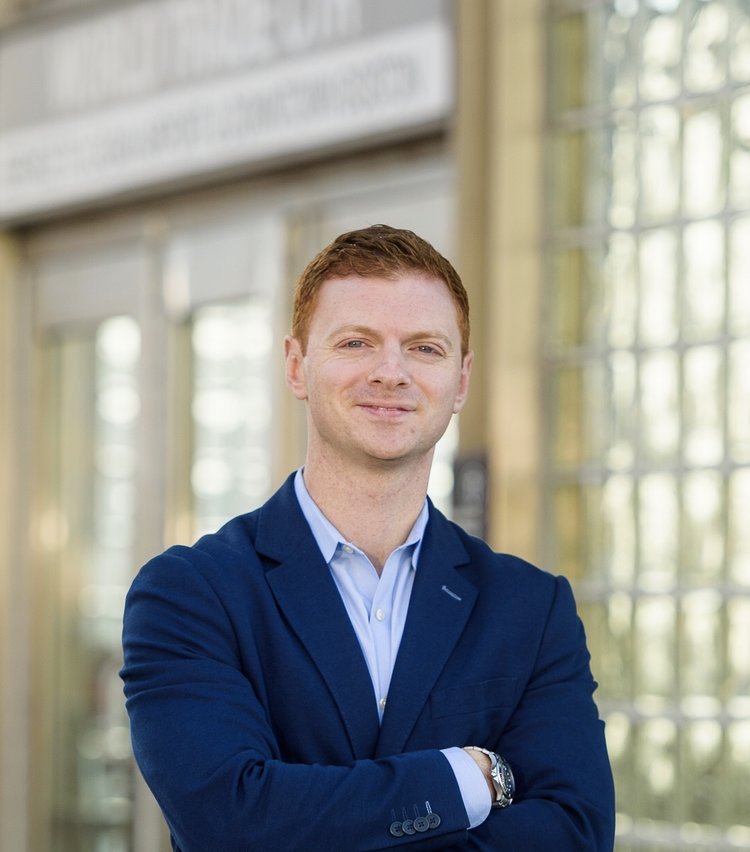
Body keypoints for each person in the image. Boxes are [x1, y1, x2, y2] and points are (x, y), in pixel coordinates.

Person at [120, 224, 615, 851]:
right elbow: (232, 825)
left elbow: (577, 833)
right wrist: (465, 778)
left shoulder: (531, 608)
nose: (391, 372)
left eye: (425, 348)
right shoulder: (193, 594)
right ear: (298, 366)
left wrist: (312, 812)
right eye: (356, 342)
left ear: (461, 381)